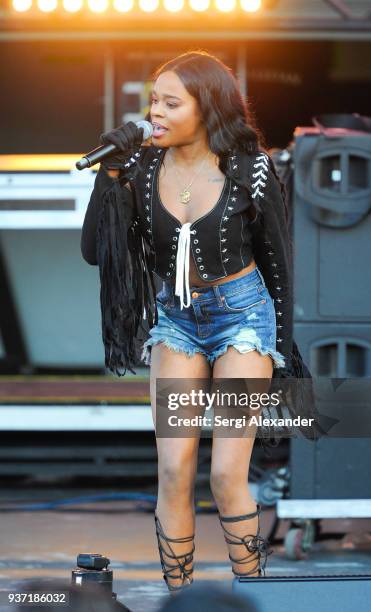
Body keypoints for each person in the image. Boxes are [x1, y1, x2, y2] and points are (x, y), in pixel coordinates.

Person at [80, 50, 306, 593]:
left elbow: (278, 262)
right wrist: (109, 175)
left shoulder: (251, 170)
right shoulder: (140, 168)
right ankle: (179, 601)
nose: (154, 113)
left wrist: (282, 351)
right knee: (174, 472)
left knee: (227, 474)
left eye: (170, 103)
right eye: (153, 100)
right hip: (177, 323)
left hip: (243, 322)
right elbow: (95, 251)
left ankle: (255, 596)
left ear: (206, 108)